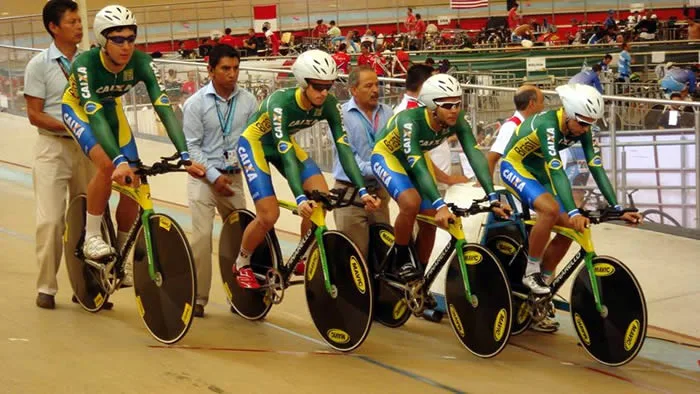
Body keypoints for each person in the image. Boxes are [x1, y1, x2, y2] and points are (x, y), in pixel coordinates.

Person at [61, 6, 205, 275]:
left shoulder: (141, 62)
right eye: (117, 39)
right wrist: (117, 161)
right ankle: (92, 236)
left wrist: (185, 154)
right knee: (107, 166)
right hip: (81, 109)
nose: (126, 46)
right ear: (103, 41)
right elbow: (93, 114)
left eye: (130, 38)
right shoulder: (85, 64)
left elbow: (162, 104)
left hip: (110, 107)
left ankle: (122, 250)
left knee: (135, 176)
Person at [234, 50, 380, 289]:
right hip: (255, 145)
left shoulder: (330, 104)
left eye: (328, 87)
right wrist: (300, 198)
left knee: (322, 198)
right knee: (269, 215)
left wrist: (363, 190)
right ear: (303, 83)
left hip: (284, 144)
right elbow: (286, 155)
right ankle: (242, 261)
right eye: (318, 87)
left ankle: (303, 254)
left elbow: (344, 149)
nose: (324, 93)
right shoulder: (280, 103)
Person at [499, 84, 640, 298]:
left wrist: (617, 207)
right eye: (582, 123)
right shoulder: (548, 125)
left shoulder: (582, 125)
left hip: (539, 169)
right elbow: (557, 172)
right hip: (515, 165)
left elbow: (596, 166)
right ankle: (531, 272)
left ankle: (543, 285)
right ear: (569, 114)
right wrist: (574, 212)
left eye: (590, 124)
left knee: (573, 229)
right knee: (550, 210)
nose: (585, 129)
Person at [371, 74, 509, 282]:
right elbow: (417, 166)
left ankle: (419, 279)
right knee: (411, 202)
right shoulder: (410, 121)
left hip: (416, 159)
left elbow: (474, 155)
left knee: (429, 220)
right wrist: (440, 204)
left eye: (457, 103)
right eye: (447, 105)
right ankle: (401, 258)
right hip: (388, 157)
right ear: (431, 106)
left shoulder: (457, 120)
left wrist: (492, 196)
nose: (454, 110)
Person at [24, 0, 94, 309]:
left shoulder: (90, 62)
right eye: (73, 22)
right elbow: (34, 114)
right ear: (54, 27)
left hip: (88, 150)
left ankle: (88, 287)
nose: (80, 26)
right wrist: (71, 128)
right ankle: (46, 287)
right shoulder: (38, 65)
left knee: (88, 220)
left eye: (80, 21)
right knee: (52, 221)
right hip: (53, 148)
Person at [183, 45, 258, 318]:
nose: (232, 74)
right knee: (202, 238)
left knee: (240, 241)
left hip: (234, 180)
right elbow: (192, 148)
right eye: (226, 68)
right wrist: (213, 177)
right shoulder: (196, 104)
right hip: (203, 179)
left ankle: (239, 296)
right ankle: (199, 298)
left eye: (236, 68)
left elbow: (253, 142)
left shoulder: (249, 102)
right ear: (210, 70)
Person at [332, 66, 393, 257]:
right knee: (356, 258)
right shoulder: (340, 115)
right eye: (368, 85)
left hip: (380, 195)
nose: (375, 90)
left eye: (377, 84)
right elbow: (349, 157)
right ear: (353, 90)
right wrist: (383, 169)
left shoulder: (388, 113)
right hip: (350, 195)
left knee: (383, 256)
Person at [395, 64, 457, 194]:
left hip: (438, 184)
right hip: (426, 187)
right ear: (424, 85)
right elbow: (417, 155)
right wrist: (447, 179)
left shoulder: (427, 106)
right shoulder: (407, 113)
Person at [487, 85, 545, 177]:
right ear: (532, 104)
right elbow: (492, 157)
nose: (543, 107)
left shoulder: (534, 124)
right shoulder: (511, 127)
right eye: (541, 102)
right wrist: (487, 187)